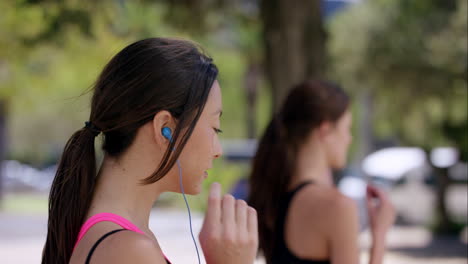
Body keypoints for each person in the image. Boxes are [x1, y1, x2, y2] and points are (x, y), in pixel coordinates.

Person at [42, 38, 258, 264]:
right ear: (165, 128)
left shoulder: (118, 239)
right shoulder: (129, 251)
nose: (218, 150)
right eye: (215, 128)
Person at [248, 80, 395, 264]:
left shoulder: (274, 196)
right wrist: (380, 235)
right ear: (325, 130)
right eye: (347, 128)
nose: (349, 139)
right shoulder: (337, 207)